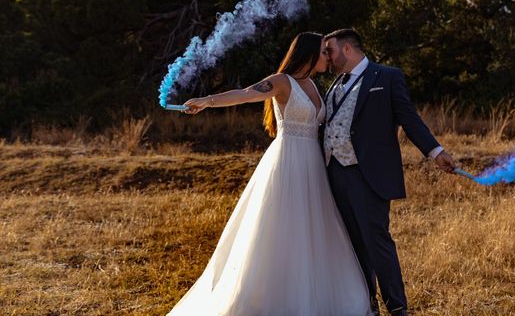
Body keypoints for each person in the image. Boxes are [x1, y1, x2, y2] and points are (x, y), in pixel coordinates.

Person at [167, 32, 372, 316]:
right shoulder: (281, 82)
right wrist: (207, 101)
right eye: (324, 53)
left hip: (313, 164)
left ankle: (315, 296)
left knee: (313, 228)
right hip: (288, 160)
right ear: (310, 53)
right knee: (282, 229)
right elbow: (246, 93)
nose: (329, 57)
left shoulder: (314, 84)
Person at [322, 28, 456, 316]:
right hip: (335, 174)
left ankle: (397, 308)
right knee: (353, 245)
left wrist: (435, 152)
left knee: (377, 242)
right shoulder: (334, 84)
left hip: (368, 174)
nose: (326, 58)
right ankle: (366, 306)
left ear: (347, 48)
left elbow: (409, 118)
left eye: (329, 50)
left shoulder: (387, 76)